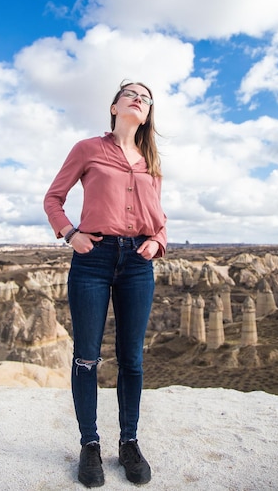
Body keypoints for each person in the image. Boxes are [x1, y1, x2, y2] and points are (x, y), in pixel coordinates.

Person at [44, 81, 167, 488]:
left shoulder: (151, 160)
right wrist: (69, 233)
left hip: (137, 264)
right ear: (114, 106)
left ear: (147, 114)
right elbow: (53, 198)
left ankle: (129, 442)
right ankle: (90, 444)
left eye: (146, 98)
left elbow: (159, 218)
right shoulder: (88, 149)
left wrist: (156, 242)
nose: (139, 99)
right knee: (87, 357)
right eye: (131, 93)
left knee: (131, 359)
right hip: (92, 260)